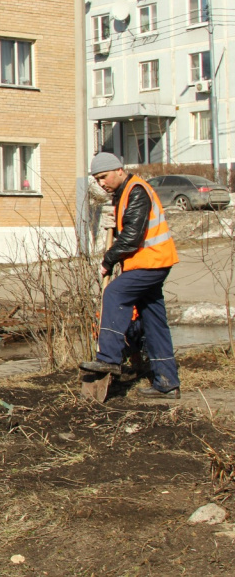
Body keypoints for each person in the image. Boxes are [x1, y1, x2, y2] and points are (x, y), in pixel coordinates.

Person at [80, 153, 181, 399]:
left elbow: (132, 237)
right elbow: (128, 228)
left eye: (104, 177)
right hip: (150, 263)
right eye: (97, 179)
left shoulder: (137, 190)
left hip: (151, 262)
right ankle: (167, 382)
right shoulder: (124, 193)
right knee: (154, 320)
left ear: (119, 170)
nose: (101, 183)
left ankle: (109, 358)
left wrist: (108, 259)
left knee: (114, 293)